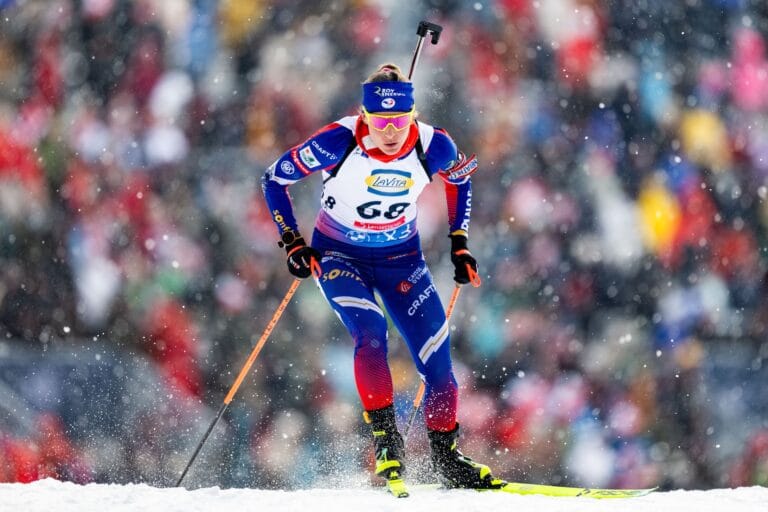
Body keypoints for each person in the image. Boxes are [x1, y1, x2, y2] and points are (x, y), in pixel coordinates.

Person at [262, 63, 501, 491]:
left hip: (401, 260)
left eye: (399, 120)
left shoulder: (435, 145)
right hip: (340, 256)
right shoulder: (336, 141)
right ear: (364, 115)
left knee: (438, 361)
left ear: (413, 115)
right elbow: (274, 179)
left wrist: (460, 243)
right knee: (371, 333)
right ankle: (387, 442)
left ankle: (447, 458)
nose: (390, 131)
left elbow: (460, 181)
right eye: (380, 121)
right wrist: (293, 242)